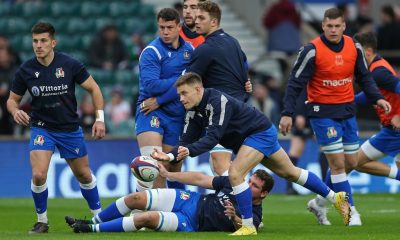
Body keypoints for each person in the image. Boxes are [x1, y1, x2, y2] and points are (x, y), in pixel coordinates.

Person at [151, 72, 351, 236]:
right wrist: (168, 157)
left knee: (235, 173)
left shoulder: (217, 101)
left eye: (184, 93)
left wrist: (188, 151)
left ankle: (248, 225)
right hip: (254, 137)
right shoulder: (193, 111)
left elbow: (212, 138)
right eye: (179, 94)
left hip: (259, 133)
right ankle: (335, 197)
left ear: (197, 89)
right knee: (290, 172)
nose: (181, 98)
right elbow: (185, 142)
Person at [278, 8, 391, 226]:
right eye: (329, 26)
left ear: (344, 26)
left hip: (347, 111)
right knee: (338, 164)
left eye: (337, 26)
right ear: (323, 26)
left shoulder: (354, 46)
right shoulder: (312, 50)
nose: (333, 30)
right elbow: (294, 83)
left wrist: (377, 98)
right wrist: (287, 113)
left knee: (351, 162)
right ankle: (351, 213)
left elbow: (364, 77)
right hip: (322, 113)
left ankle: (319, 203)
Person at [6, 22, 106, 234]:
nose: (38, 45)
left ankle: (99, 217)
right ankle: (42, 221)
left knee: (84, 175)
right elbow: (11, 101)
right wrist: (15, 111)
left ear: (53, 42)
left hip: (69, 128)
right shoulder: (26, 69)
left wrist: (100, 119)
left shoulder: (69, 64)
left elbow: (94, 89)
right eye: (35, 41)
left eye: (43, 41)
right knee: (39, 174)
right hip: (42, 128)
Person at [309, 32, 400, 225]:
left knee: (349, 162)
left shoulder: (379, 71)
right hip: (391, 132)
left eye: (356, 52)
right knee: (347, 163)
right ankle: (320, 202)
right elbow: (367, 97)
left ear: (366, 52)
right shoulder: (378, 69)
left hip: (393, 132)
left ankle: (320, 201)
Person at [66, 165, 273, 233]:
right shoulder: (234, 183)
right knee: (135, 198)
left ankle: (89, 230)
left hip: (192, 223)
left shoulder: (255, 213)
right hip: (190, 200)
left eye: (254, 186)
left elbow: (249, 228)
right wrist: (170, 175)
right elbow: (201, 178)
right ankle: (92, 220)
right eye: (250, 180)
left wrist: (234, 218)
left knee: (147, 218)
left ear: (263, 194)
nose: (247, 185)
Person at [186, 1, 252, 177]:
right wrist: (246, 82)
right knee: (287, 170)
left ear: (214, 22)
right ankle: (327, 195)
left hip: (223, 112)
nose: (196, 20)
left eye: (201, 17)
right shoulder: (233, 42)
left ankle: (238, 203)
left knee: (221, 166)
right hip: (242, 110)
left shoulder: (205, 49)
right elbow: (245, 64)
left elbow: (188, 84)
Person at [135, 8, 194, 190]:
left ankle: (174, 212)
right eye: (162, 28)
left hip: (177, 114)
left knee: (173, 167)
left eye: (169, 27)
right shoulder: (151, 51)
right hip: (150, 110)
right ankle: (146, 214)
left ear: (179, 26)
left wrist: (177, 84)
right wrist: (181, 78)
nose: (166, 32)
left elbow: (191, 84)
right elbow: (152, 85)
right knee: (153, 167)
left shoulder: (189, 51)